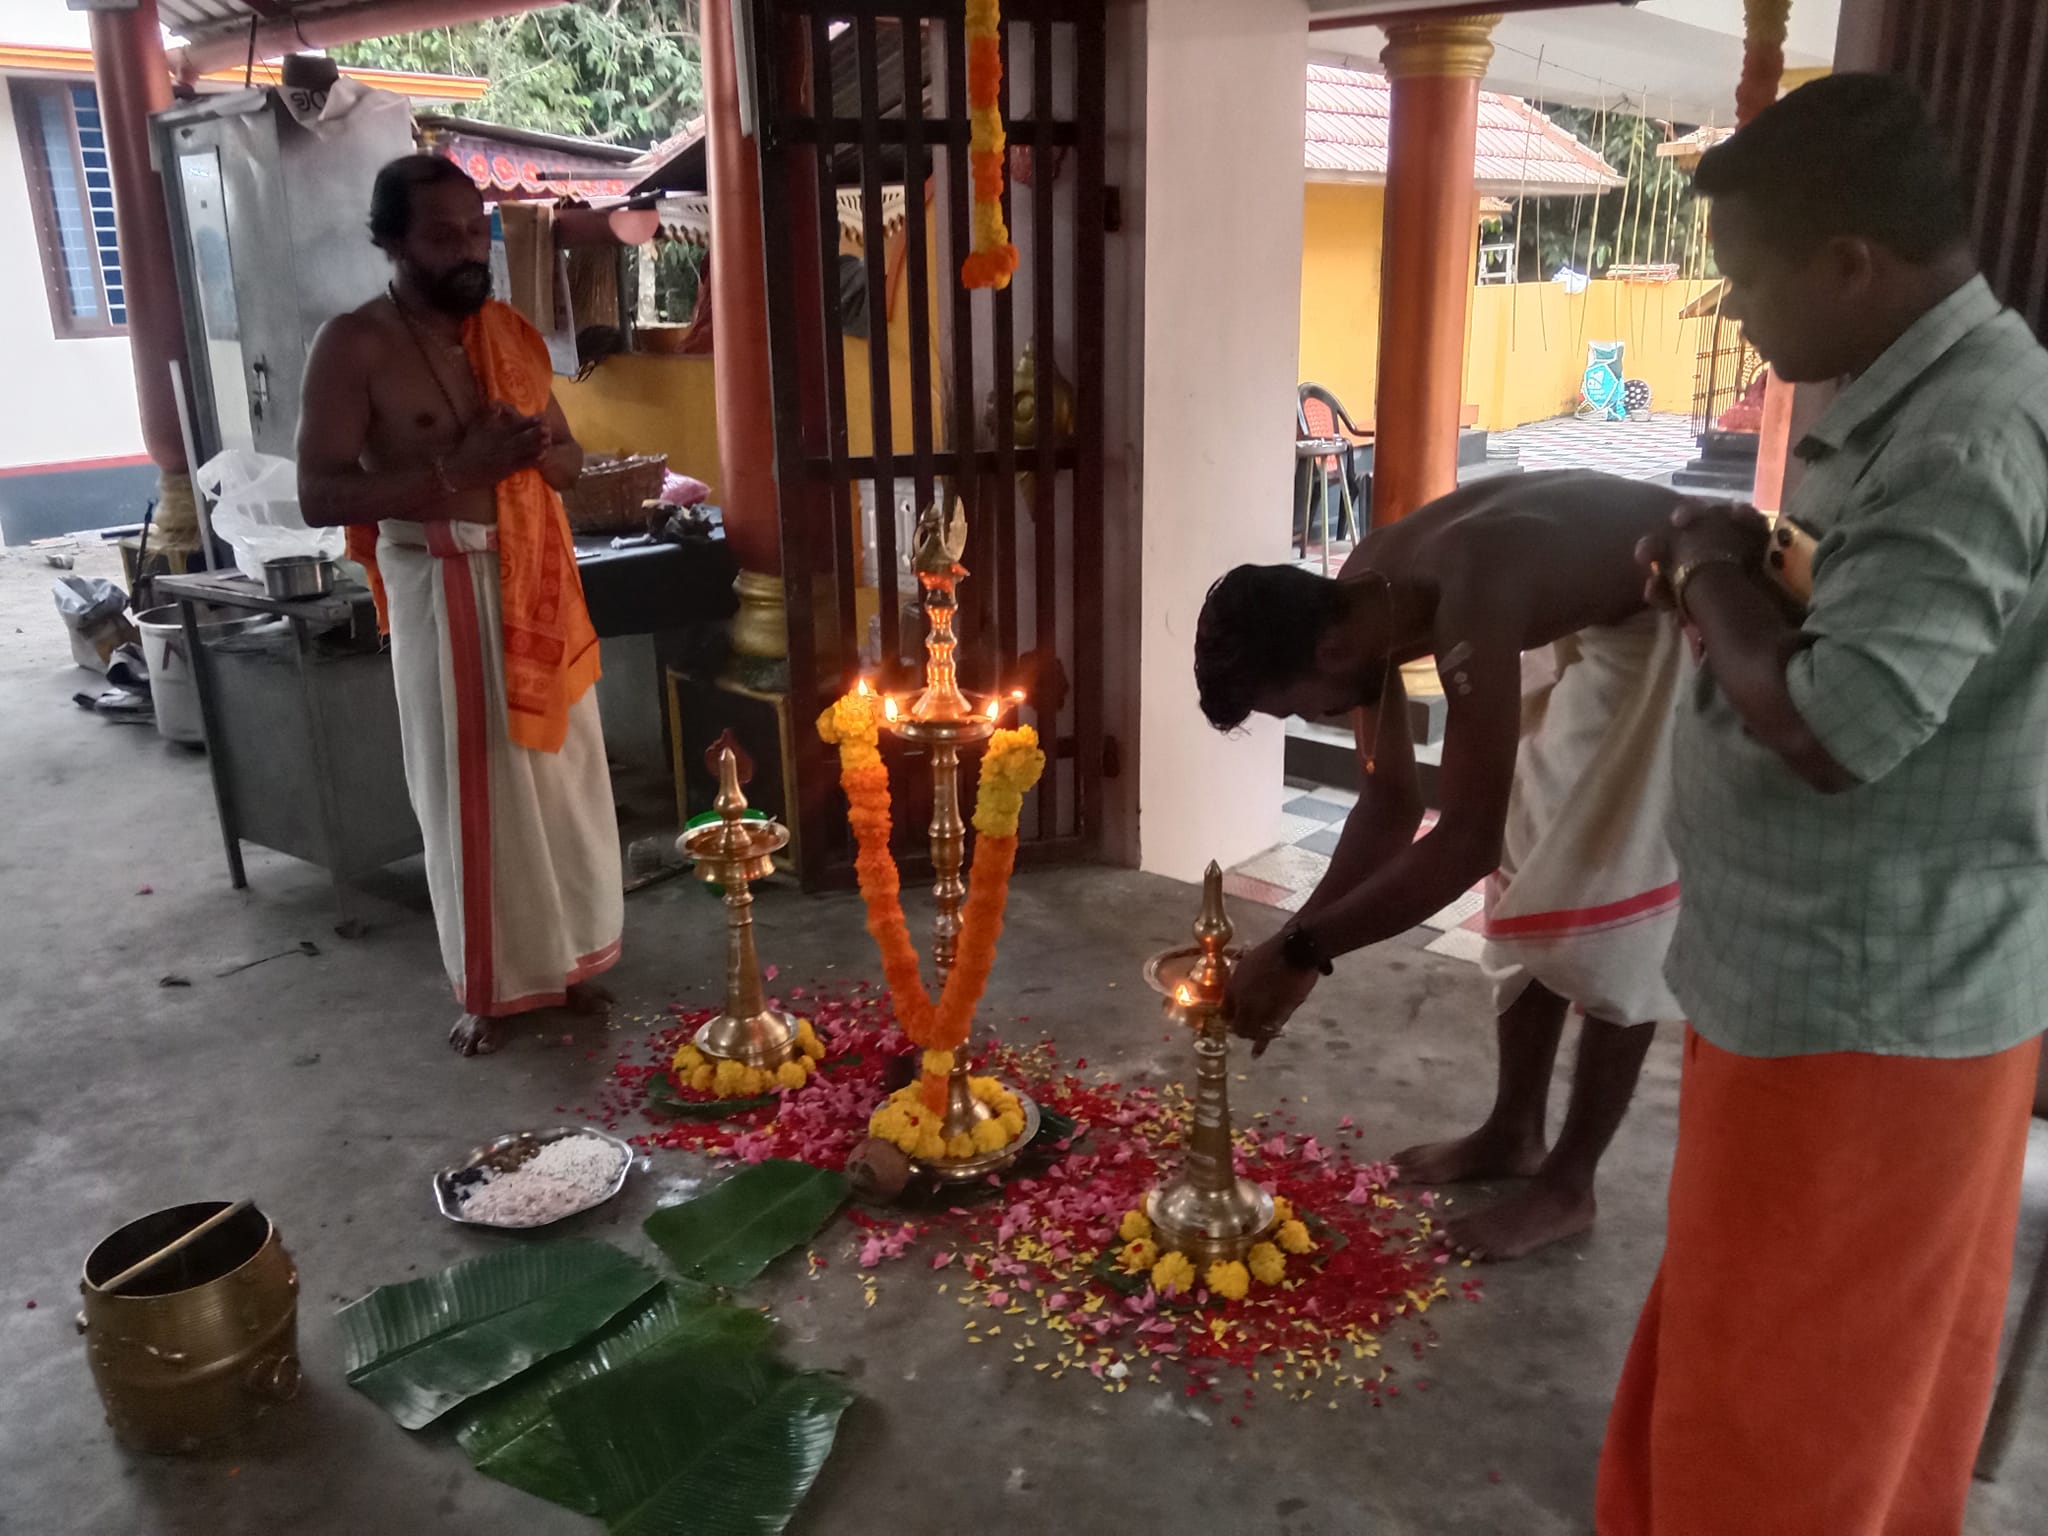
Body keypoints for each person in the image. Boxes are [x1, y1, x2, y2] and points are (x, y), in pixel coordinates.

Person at [1602, 75, 2048, 1534]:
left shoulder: (1964, 440)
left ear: (1850, 262)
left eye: (1744, 277)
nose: (1740, 315)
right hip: (1823, 975)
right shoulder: (1922, 404)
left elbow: (1835, 727)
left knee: (1802, 1374)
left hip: (1872, 1000)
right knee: (1781, 1329)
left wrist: (1708, 569)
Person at [1196, 468, 1688, 1260]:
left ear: (1327, 648)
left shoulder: (1469, 596)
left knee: (1610, 903)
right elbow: (1389, 802)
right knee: (1529, 870)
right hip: (1578, 615)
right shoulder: (1362, 593)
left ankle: (1570, 1184)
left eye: (1300, 706)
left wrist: (1304, 954)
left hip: (1673, 606)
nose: (1318, 718)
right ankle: (1513, 1133)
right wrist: (1296, 939)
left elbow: (1463, 842)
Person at [298, 155, 622, 1055]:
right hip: (442, 580)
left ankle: (563, 968)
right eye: (442, 235)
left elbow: (571, 458)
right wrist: (457, 472)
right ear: (393, 241)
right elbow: (320, 495)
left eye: (474, 230)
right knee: (472, 792)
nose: (467, 249)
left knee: (557, 790)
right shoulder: (355, 345)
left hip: (535, 581)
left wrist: (533, 455)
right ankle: (490, 984)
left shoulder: (511, 335)